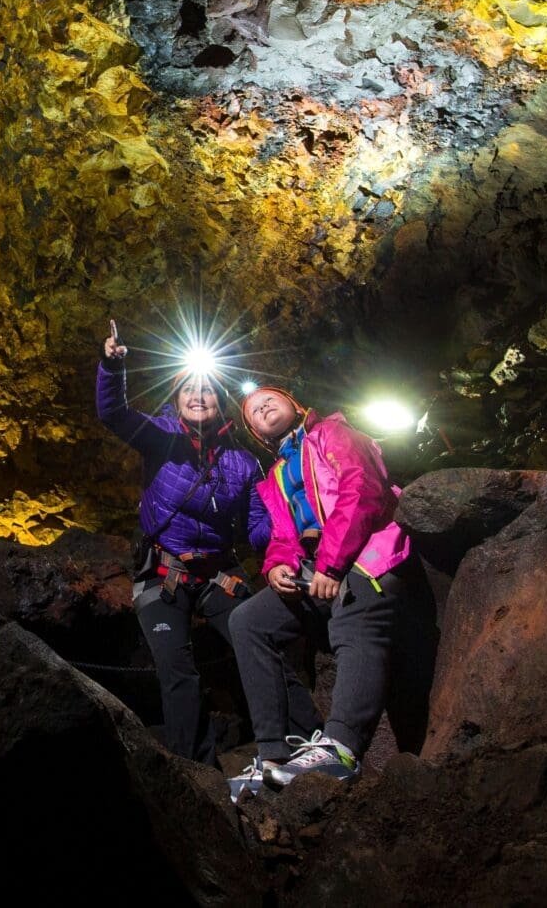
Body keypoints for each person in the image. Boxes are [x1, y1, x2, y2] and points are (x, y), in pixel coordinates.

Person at [96, 323, 320, 764]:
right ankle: (196, 773)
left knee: (261, 646)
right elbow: (114, 414)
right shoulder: (160, 437)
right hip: (163, 571)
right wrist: (112, 365)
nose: (199, 396)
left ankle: (311, 744)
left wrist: (291, 542)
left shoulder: (243, 462)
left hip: (219, 572)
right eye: (189, 390)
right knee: (177, 673)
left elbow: (259, 528)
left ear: (222, 405)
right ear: (177, 400)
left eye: (208, 391)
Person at [225, 384, 412, 800]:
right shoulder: (274, 477)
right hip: (316, 569)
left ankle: (341, 748)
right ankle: (273, 755)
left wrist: (331, 563)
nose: (263, 405)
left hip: (369, 550)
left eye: (269, 398)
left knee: (351, 607)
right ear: (256, 432)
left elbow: (361, 488)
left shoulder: (333, 433)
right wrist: (276, 567)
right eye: (253, 410)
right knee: (248, 622)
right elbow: (281, 535)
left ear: (295, 404)